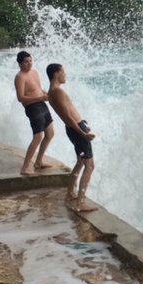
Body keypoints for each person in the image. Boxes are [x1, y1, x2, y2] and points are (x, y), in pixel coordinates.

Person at [46, 63, 98, 212]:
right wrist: (83, 133)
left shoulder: (52, 92)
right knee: (89, 165)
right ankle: (80, 203)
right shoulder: (57, 92)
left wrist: (83, 125)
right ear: (56, 74)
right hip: (76, 129)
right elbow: (68, 117)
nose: (65, 75)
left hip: (75, 128)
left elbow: (69, 115)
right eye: (63, 72)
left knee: (81, 162)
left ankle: (70, 193)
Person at [14, 51, 54, 175]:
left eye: (30, 61)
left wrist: (46, 94)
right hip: (32, 107)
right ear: (20, 63)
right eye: (26, 62)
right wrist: (39, 98)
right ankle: (25, 167)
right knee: (38, 136)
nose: (29, 63)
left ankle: (39, 161)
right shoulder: (20, 77)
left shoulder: (35, 73)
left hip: (42, 104)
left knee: (50, 133)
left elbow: (37, 89)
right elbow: (21, 98)